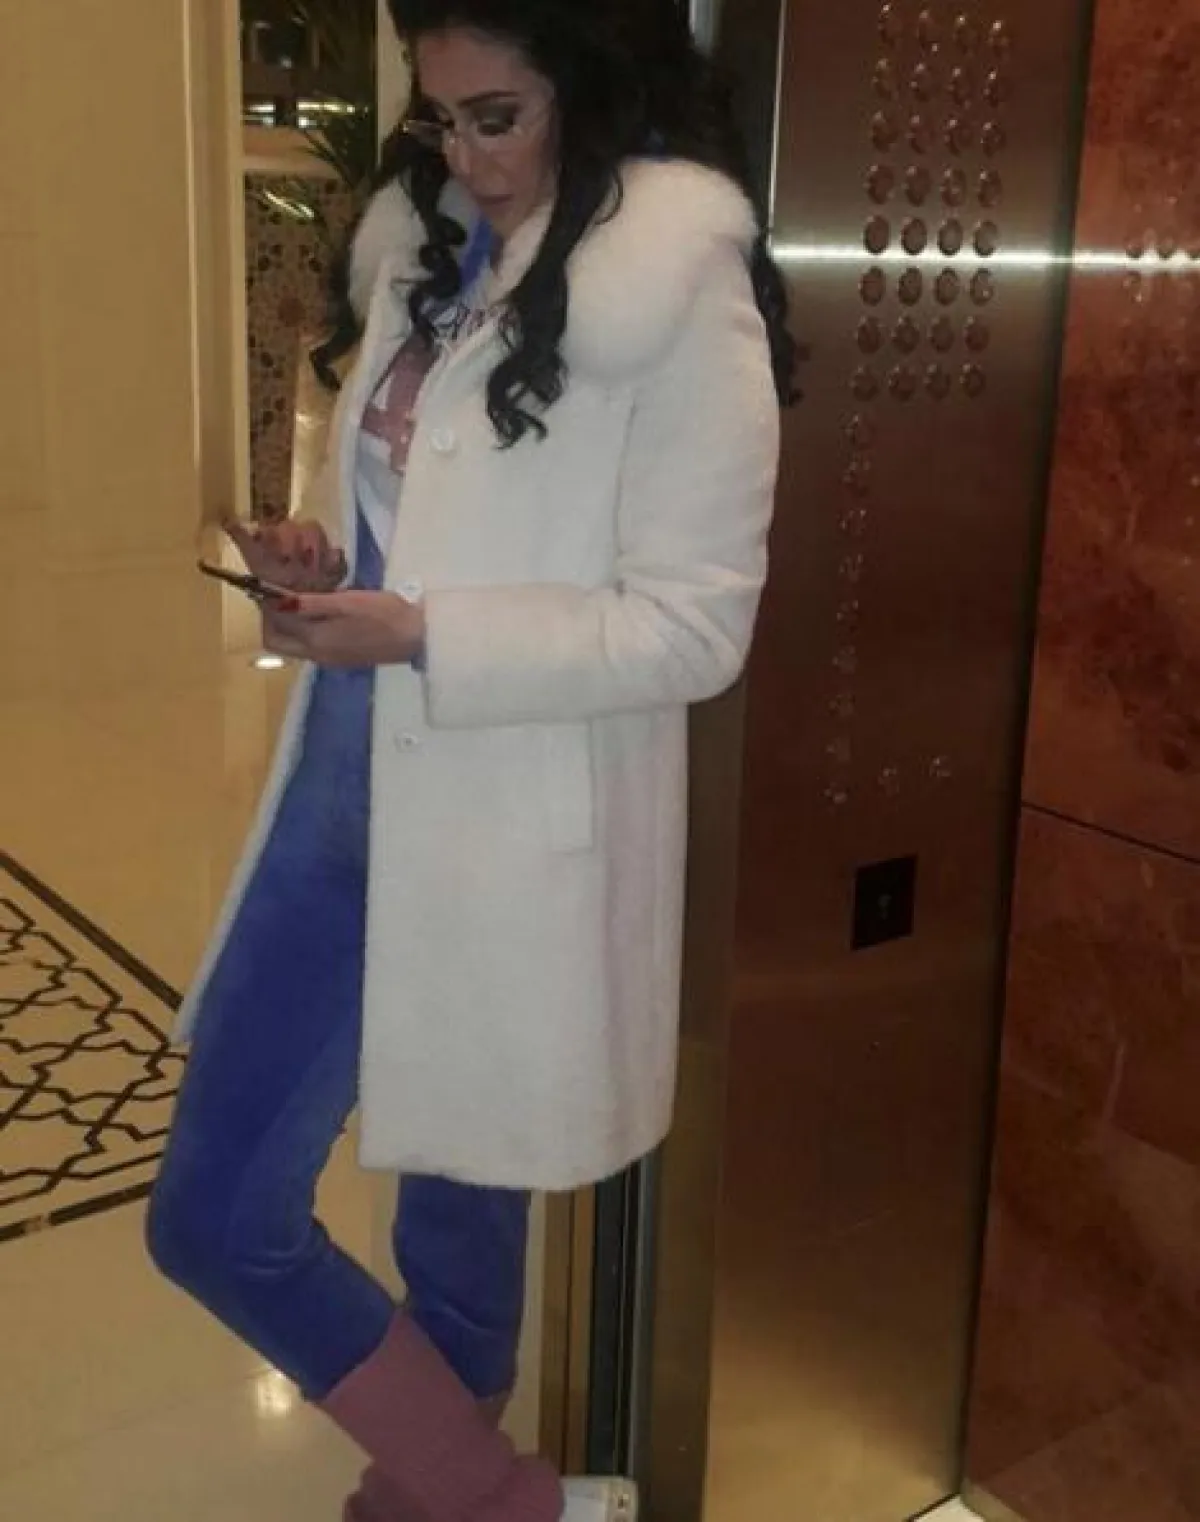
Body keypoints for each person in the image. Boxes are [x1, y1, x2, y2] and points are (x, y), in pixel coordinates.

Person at [148, 1, 798, 1518]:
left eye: (497, 116)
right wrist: (324, 564)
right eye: (439, 118)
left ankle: (432, 1495)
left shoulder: (670, 282)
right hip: (337, 807)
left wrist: (429, 633)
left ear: (591, 81)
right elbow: (412, 515)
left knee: (458, 1247)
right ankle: (506, 1500)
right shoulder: (424, 249)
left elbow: (695, 628)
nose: (465, 156)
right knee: (215, 1218)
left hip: (505, 838)